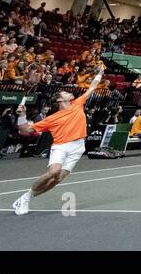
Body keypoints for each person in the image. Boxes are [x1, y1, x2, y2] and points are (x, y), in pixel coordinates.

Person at [12, 62, 104, 215]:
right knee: (53, 172)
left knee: (58, 179)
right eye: (65, 93)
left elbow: (92, 87)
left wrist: (100, 73)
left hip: (78, 147)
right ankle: (27, 198)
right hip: (61, 146)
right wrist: (21, 116)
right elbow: (24, 130)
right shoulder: (51, 118)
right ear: (60, 101)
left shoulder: (77, 103)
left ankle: (26, 197)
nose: (69, 93)